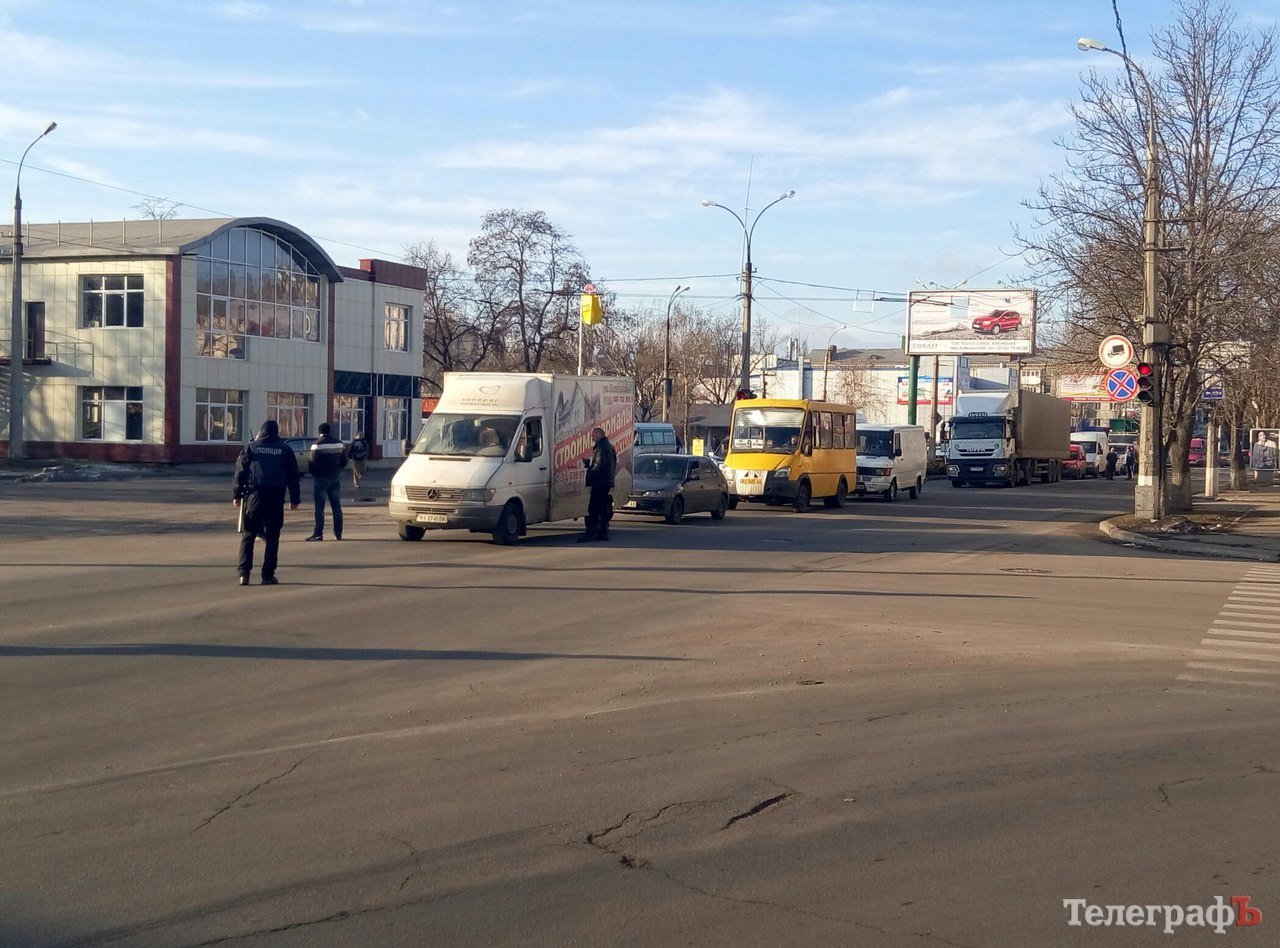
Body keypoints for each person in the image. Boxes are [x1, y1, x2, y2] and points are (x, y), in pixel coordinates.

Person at [233, 419, 301, 586]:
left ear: (261, 431)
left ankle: (244, 574)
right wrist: (295, 499)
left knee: (248, 535)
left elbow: (240, 471)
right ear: (277, 432)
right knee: (272, 537)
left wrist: (236, 495)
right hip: (276, 497)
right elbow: (293, 476)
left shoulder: (252, 447)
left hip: (255, 496)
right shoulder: (285, 449)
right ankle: (267, 575)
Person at [306, 422, 347, 541]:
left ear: (320, 432)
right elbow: (344, 461)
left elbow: (312, 463)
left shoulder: (317, 445)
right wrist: (337, 470)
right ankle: (338, 533)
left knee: (319, 507)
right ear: (330, 431)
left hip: (321, 478)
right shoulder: (339, 444)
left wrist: (315, 473)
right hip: (335, 477)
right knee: (336, 505)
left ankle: (318, 533)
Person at [579, 426, 617, 542]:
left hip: (599, 483)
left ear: (598, 435)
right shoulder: (610, 446)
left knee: (593, 508)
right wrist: (590, 464)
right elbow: (611, 463)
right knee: (603, 508)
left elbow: (599, 466)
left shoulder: (601, 447)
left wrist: (590, 472)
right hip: (607, 482)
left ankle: (590, 533)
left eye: (593, 435)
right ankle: (603, 532)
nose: (592, 438)